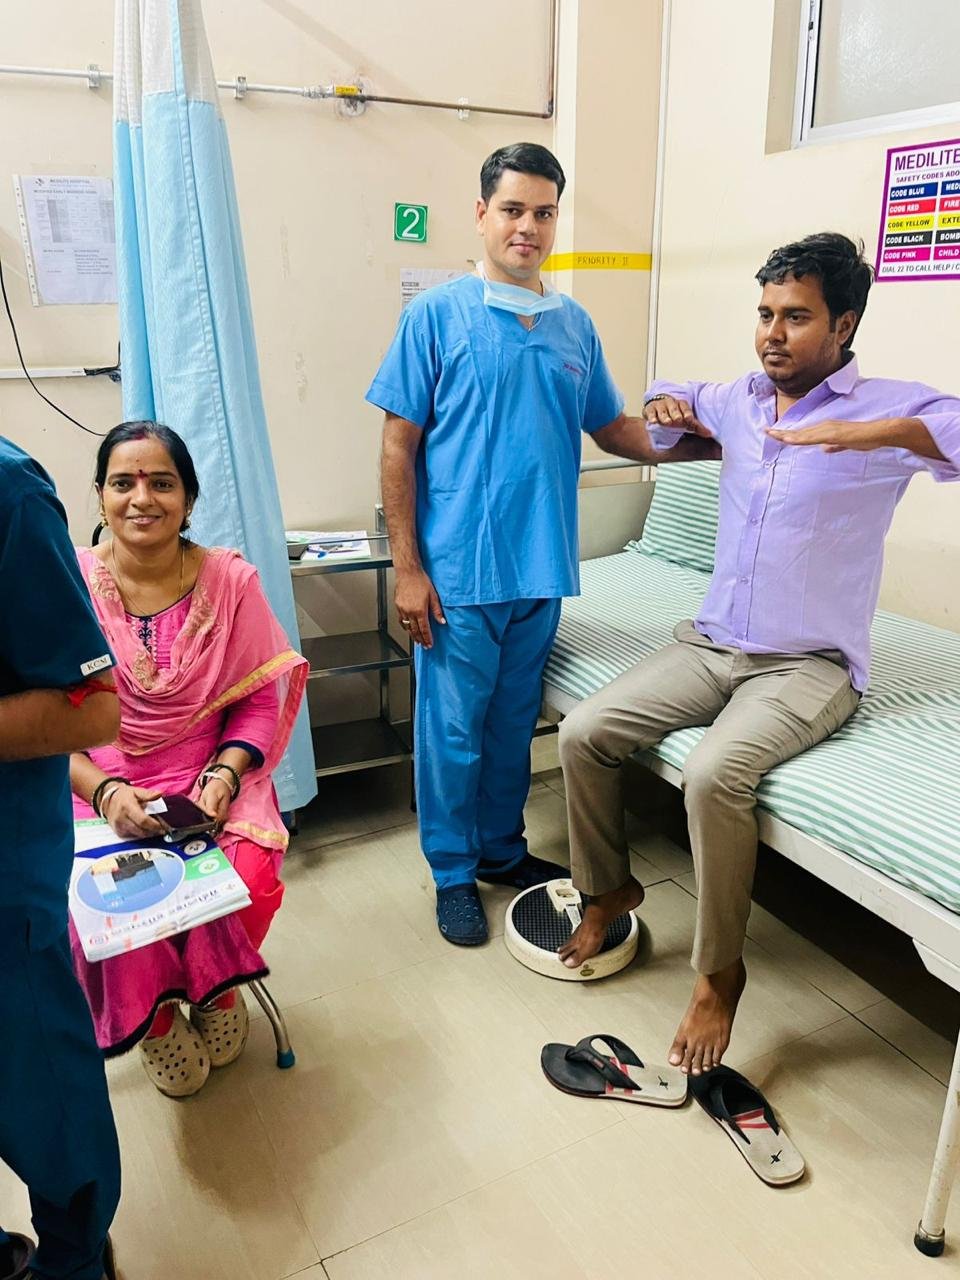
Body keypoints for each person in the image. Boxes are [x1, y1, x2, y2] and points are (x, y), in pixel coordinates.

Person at [558, 231, 960, 1075]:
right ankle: (608, 889)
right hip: (713, 643)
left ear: (843, 325)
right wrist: (665, 404)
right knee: (583, 732)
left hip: (809, 664)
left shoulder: (888, 408)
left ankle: (719, 974)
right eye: (766, 313)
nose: (773, 333)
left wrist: (872, 434)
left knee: (712, 776)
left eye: (797, 317)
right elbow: (673, 393)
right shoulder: (741, 399)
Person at [366, 142, 717, 945]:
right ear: (481, 215)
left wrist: (713, 442)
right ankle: (453, 873)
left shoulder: (573, 327)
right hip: (458, 572)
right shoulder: (436, 317)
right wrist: (408, 568)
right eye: (513, 210)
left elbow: (615, 430)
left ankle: (500, 850)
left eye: (544, 212)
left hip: (540, 564)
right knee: (453, 733)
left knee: (510, 725)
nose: (528, 227)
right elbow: (397, 446)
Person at [69, 421, 307, 1097]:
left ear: (189, 498)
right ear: (100, 494)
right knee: (108, 907)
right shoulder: (67, 584)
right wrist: (106, 792)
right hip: (94, 784)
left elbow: (256, 700)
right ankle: (158, 1019)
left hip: (206, 782)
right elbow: (46, 722)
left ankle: (216, 991)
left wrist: (224, 775)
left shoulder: (230, 582)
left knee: (249, 875)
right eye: (123, 482)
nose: (142, 498)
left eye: (162, 482)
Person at [0, 435, 121, 1280]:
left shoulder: (9, 498)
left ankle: (74, 1260)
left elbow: (93, 710)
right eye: (123, 482)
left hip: (7, 885)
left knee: (44, 1095)